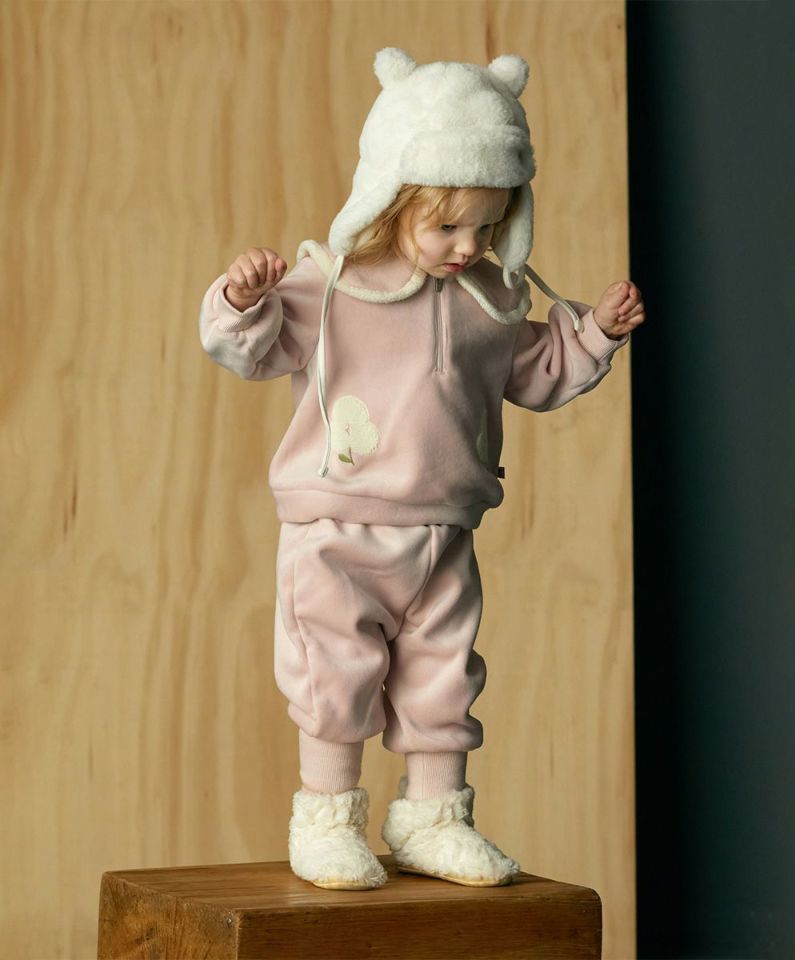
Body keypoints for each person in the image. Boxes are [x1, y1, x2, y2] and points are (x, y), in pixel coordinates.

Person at [198, 48, 645, 892]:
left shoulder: (490, 298)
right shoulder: (330, 285)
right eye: (447, 228)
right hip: (338, 528)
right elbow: (251, 349)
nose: (468, 246)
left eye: (488, 226)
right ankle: (327, 817)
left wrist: (594, 336)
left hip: (442, 532)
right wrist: (241, 298)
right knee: (335, 672)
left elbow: (535, 373)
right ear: (389, 197)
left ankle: (433, 818)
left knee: (444, 675)